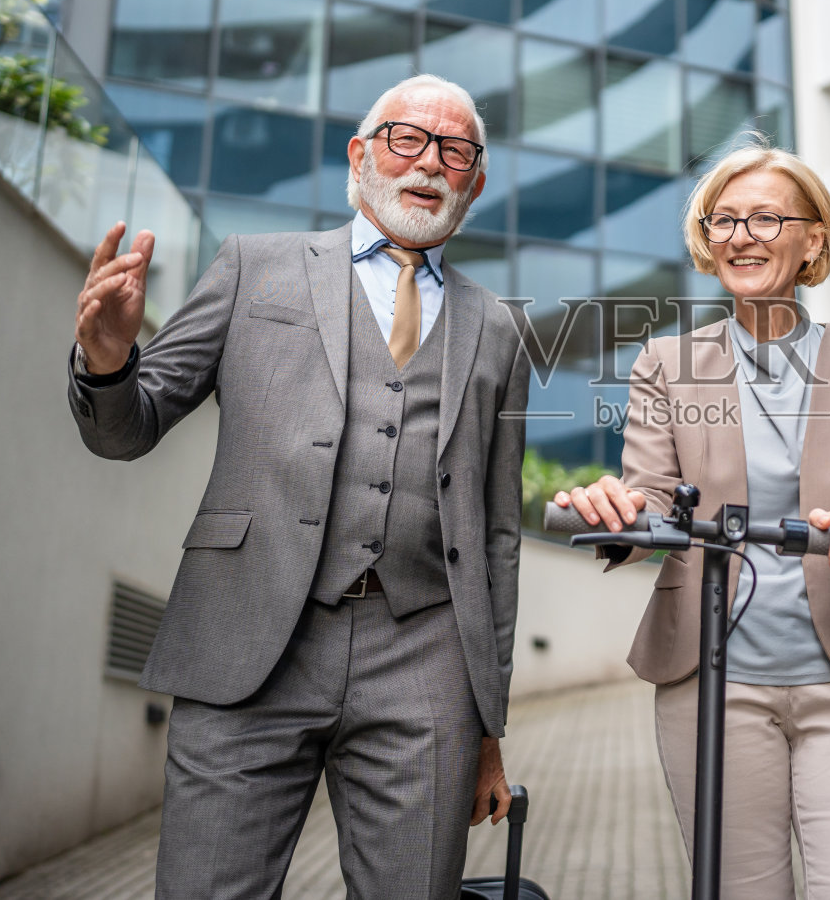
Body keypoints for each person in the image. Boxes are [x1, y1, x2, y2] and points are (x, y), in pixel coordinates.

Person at [68, 74, 531, 899]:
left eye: (454, 151)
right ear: (360, 156)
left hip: (423, 658)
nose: (429, 163)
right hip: (247, 636)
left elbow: (497, 536)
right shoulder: (254, 265)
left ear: (475, 182)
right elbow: (127, 428)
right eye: (406, 139)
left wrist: (488, 727)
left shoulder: (496, 326)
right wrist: (107, 362)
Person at [555, 145, 830, 899]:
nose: (739, 235)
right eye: (722, 219)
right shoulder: (668, 363)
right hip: (711, 685)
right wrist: (619, 510)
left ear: (813, 239)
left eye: (765, 217)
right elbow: (654, 499)